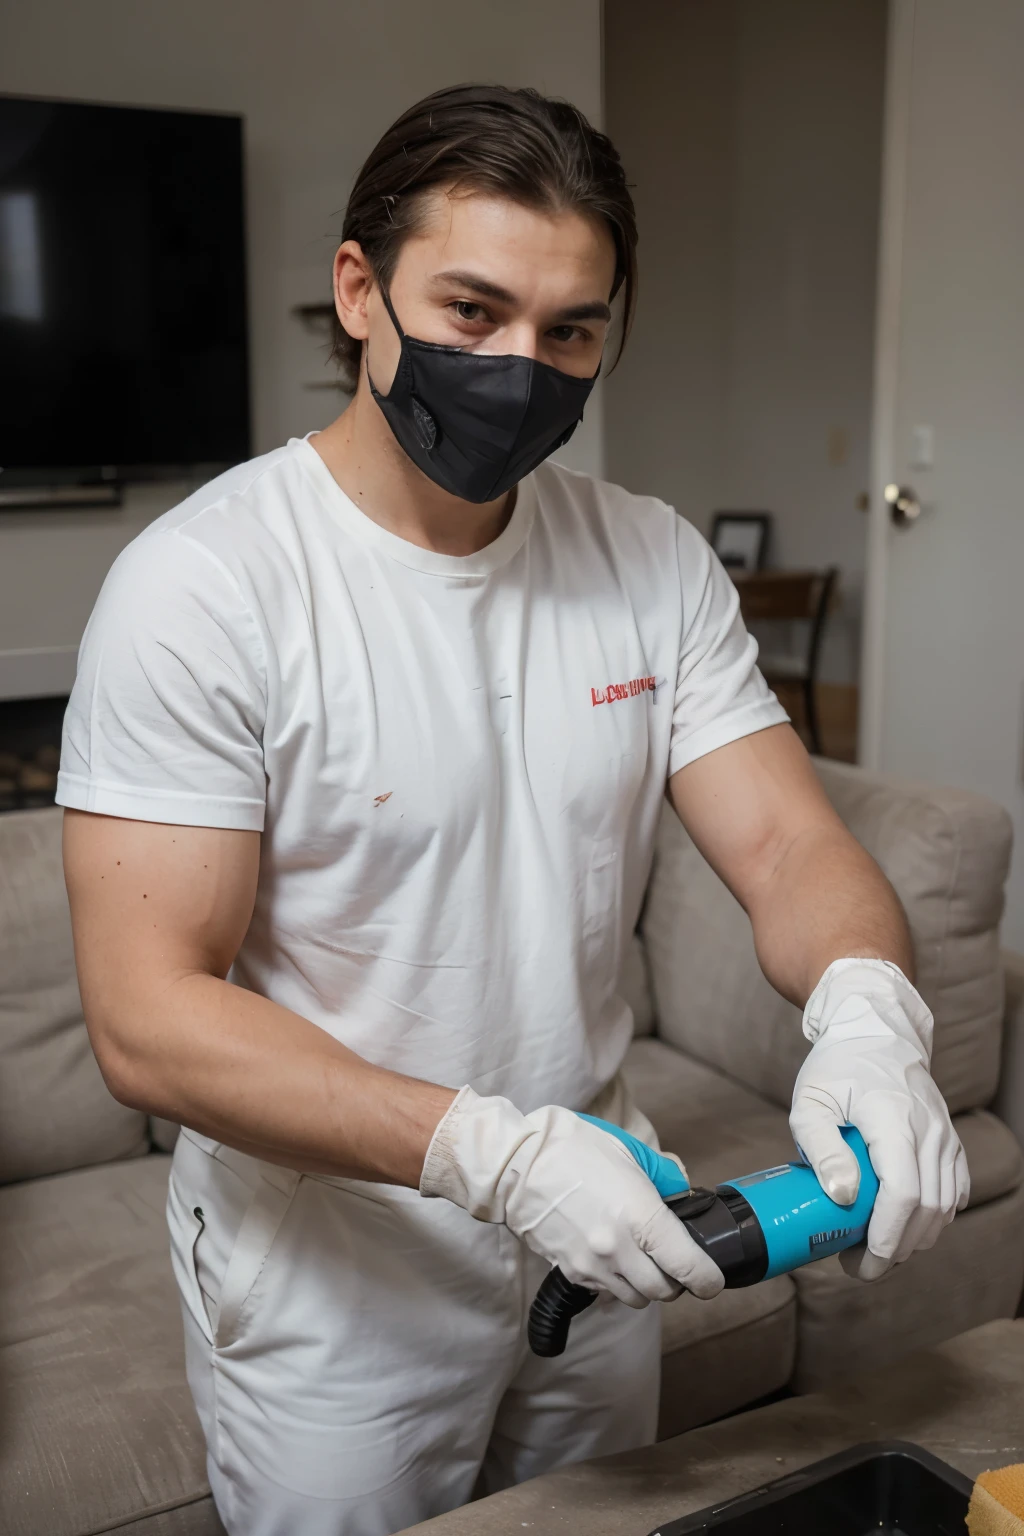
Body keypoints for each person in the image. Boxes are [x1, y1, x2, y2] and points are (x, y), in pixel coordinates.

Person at [58, 84, 968, 1536]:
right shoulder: (206, 588)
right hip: (338, 1274)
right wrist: (496, 1153)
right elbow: (146, 1016)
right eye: (471, 311)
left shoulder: (648, 559)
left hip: (607, 1229)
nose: (517, 367)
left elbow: (791, 841)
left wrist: (870, 1010)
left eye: (570, 332)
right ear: (360, 291)